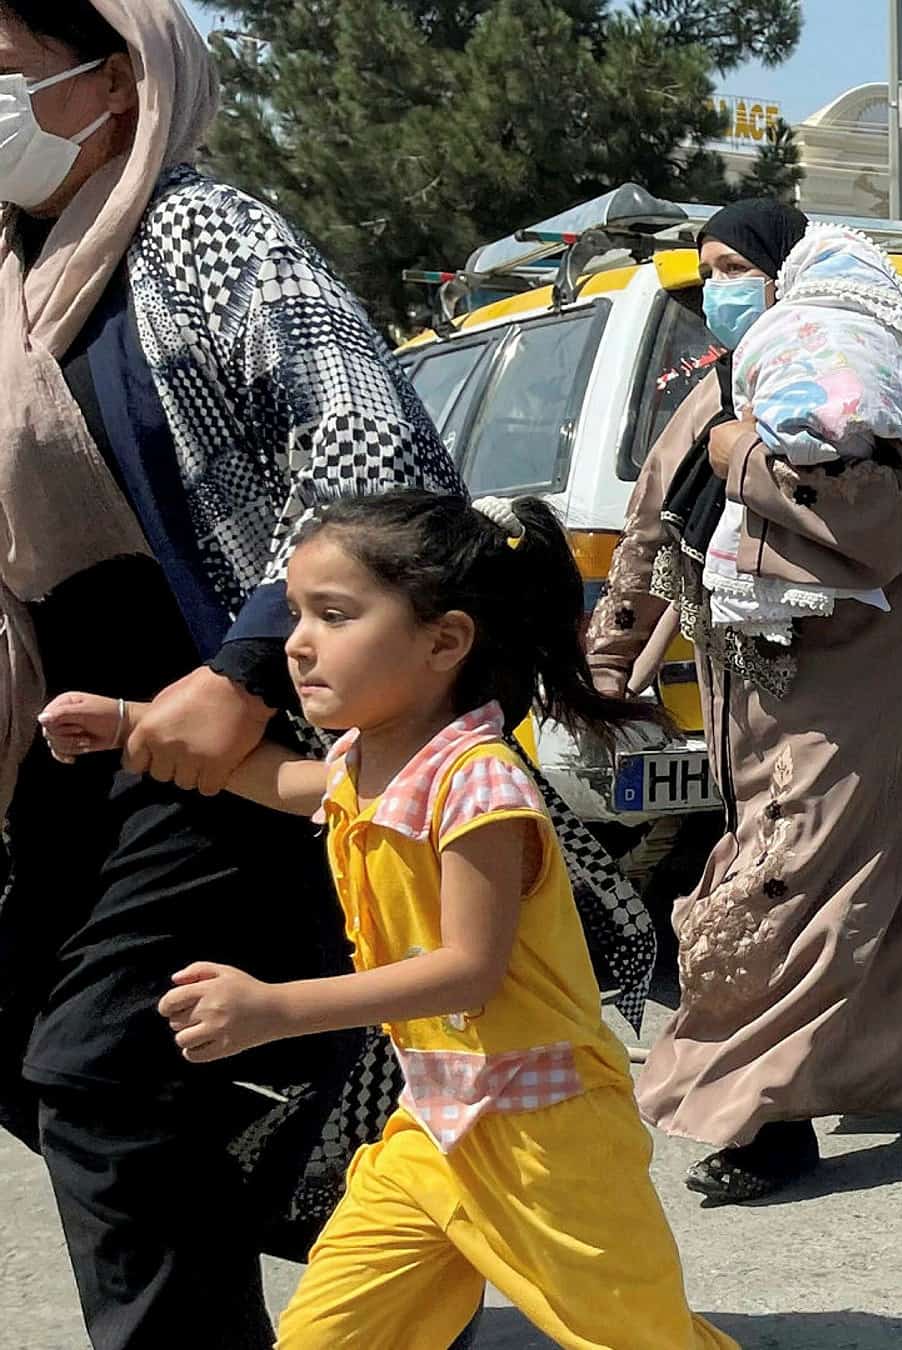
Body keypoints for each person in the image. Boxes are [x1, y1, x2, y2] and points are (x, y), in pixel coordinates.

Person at [0, 5, 643, 1345]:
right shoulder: (18, 272)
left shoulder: (192, 232)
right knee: (47, 1040)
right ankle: (409, 1185)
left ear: (109, 81)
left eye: (0, 68)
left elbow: (372, 443)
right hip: (91, 736)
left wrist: (242, 665)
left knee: (101, 1068)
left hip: (242, 724)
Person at [42, 493, 735, 1350]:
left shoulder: (479, 785)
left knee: (640, 1340)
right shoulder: (366, 763)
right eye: (296, 614)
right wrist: (128, 721)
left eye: (334, 616)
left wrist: (275, 1008)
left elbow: (466, 970)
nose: (297, 642)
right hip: (431, 1131)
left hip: (543, 1138)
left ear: (444, 642)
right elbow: (277, 782)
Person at [588, 202, 902, 1203]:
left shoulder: (863, 387)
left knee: (792, 873)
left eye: (736, 266)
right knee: (900, 864)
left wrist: (741, 456)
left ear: (786, 271)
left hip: (862, 670)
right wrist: (610, 649)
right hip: (751, 680)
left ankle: (764, 1112)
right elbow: (652, 525)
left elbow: (882, 522)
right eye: (707, 272)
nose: (718, 289)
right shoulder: (721, 391)